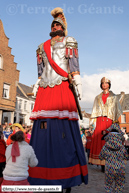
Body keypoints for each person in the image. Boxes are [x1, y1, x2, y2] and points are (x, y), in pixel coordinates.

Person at [28, 7, 88, 193]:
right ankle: (40, 173)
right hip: (46, 89)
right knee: (43, 126)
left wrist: (78, 83)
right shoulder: (41, 46)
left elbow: (73, 66)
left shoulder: (70, 41)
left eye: (58, 24)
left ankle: (67, 175)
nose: (55, 27)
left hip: (62, 86)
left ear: (63, 27)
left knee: (64, 126)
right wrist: (36, 84)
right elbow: (40, 71)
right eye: (53, 24)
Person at [89, 77, 122, 172]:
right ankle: (102, 163)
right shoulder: (97, 97)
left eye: (106, 83)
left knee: (108, 142)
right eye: (103, 83)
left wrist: (116, 124)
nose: (104, 84)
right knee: (99, 141)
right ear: (101, 85)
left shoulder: (114, 97)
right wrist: (92, 125)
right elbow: (94, 112)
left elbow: (117, 111)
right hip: (99, 120)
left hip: (109, 121)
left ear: (109, 85)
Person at [99, 122, 129, 193]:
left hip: (109, 168)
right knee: (119, 186)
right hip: (120, 169)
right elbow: (127, 157)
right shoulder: (122, 147)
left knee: (108, 185)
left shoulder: (106, 146)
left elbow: (100, 157)